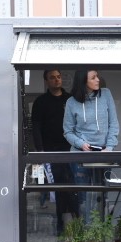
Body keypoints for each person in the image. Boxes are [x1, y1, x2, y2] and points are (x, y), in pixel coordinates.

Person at [31, 69, 78, 229]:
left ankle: (76, 223)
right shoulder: (41, 102)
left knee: (73, 187)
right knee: (59, 188)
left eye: (58, 77)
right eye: (52, 77)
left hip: (71, 149)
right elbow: (35, 127)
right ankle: (60, 224)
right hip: (52, 151)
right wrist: (40, 151)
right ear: (46, 81)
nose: (57, 80)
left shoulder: (70, 100)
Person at [63, 68, 119, 152]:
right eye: (93, 78)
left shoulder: (106, 94)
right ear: (83, 81)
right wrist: (80, 144)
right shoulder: (71, 102)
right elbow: (68, 131)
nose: (98, 80)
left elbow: (113, 123)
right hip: (80, 152)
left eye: (97, 76)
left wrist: (109, 147)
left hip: (104, 151)